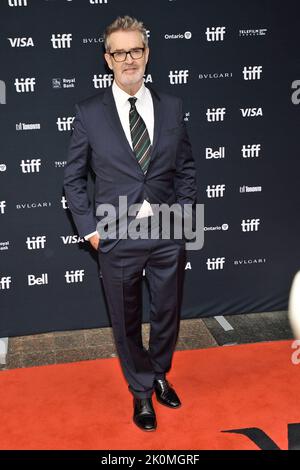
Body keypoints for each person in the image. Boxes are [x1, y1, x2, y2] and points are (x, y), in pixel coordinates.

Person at [63, 15, 198, 432]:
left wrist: (184, 219)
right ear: (108, 59)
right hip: (115, 232)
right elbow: (73, 178)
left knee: (167, 313)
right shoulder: (89, 112)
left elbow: (186, 168)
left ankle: (159, 372)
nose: (128, 59)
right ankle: (141, 392)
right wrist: (90, 230)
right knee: (125, 319)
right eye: (119, 52)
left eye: (135, 50)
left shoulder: (172, 106)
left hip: (166, 229)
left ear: (147, 53)